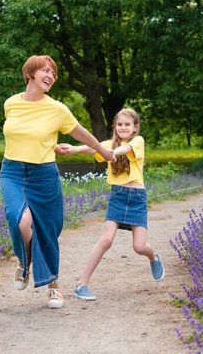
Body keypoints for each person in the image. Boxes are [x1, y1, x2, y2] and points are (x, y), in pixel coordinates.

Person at [0, 54, 114, 309]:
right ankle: (23, 261)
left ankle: (53, 286)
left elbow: (80, 132)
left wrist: (102, 151)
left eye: (53, 73)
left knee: (49, 230)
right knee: (19, 219)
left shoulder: (57, 109)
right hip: (12, 172)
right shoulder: (11, 104)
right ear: (30, 73)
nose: (50, 75)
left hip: (44, 174)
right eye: (45, 70)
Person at [57, 108, 165, 301]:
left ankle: (153, 257)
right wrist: (75, 149)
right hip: (118, 196)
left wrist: (111, 153)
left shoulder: (137, 142)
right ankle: (82, 284)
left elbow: (125, 150)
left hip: (137, 197)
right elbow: (94, 147)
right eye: (119, 124)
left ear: (135, 128)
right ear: (115, 126)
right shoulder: (109, 144)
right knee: (106, 240)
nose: (123, 127)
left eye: (127, 125)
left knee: (139, 247)